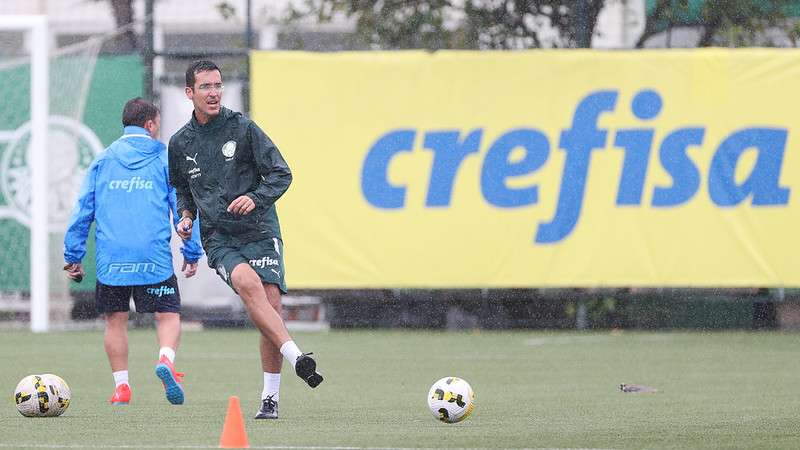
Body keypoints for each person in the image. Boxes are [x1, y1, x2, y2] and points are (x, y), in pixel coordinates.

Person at [168, 60, 323, 420]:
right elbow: (183, 189)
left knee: (270, 302)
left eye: (218, 86)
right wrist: (187, 216)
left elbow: (282, 174)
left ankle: (270, 398)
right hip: (219, 236)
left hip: (259, 230)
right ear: (189, 93)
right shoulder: (180, 143)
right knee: (245, 282)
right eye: (205, 87)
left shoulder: (243, 129)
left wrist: (255, 197)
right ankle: (297, 356)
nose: (214, 93)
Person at [64, 98, 203, 406]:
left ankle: (122, 387)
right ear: (150, 125)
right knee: (167, 315)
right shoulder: (166, 159)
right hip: (152, 256)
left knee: (115, 320)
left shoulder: (103, 159)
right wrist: (191, 251)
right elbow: (183, 208)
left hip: (112, 259)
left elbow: (83, 211)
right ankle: (165, 360)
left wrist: (73, 254)